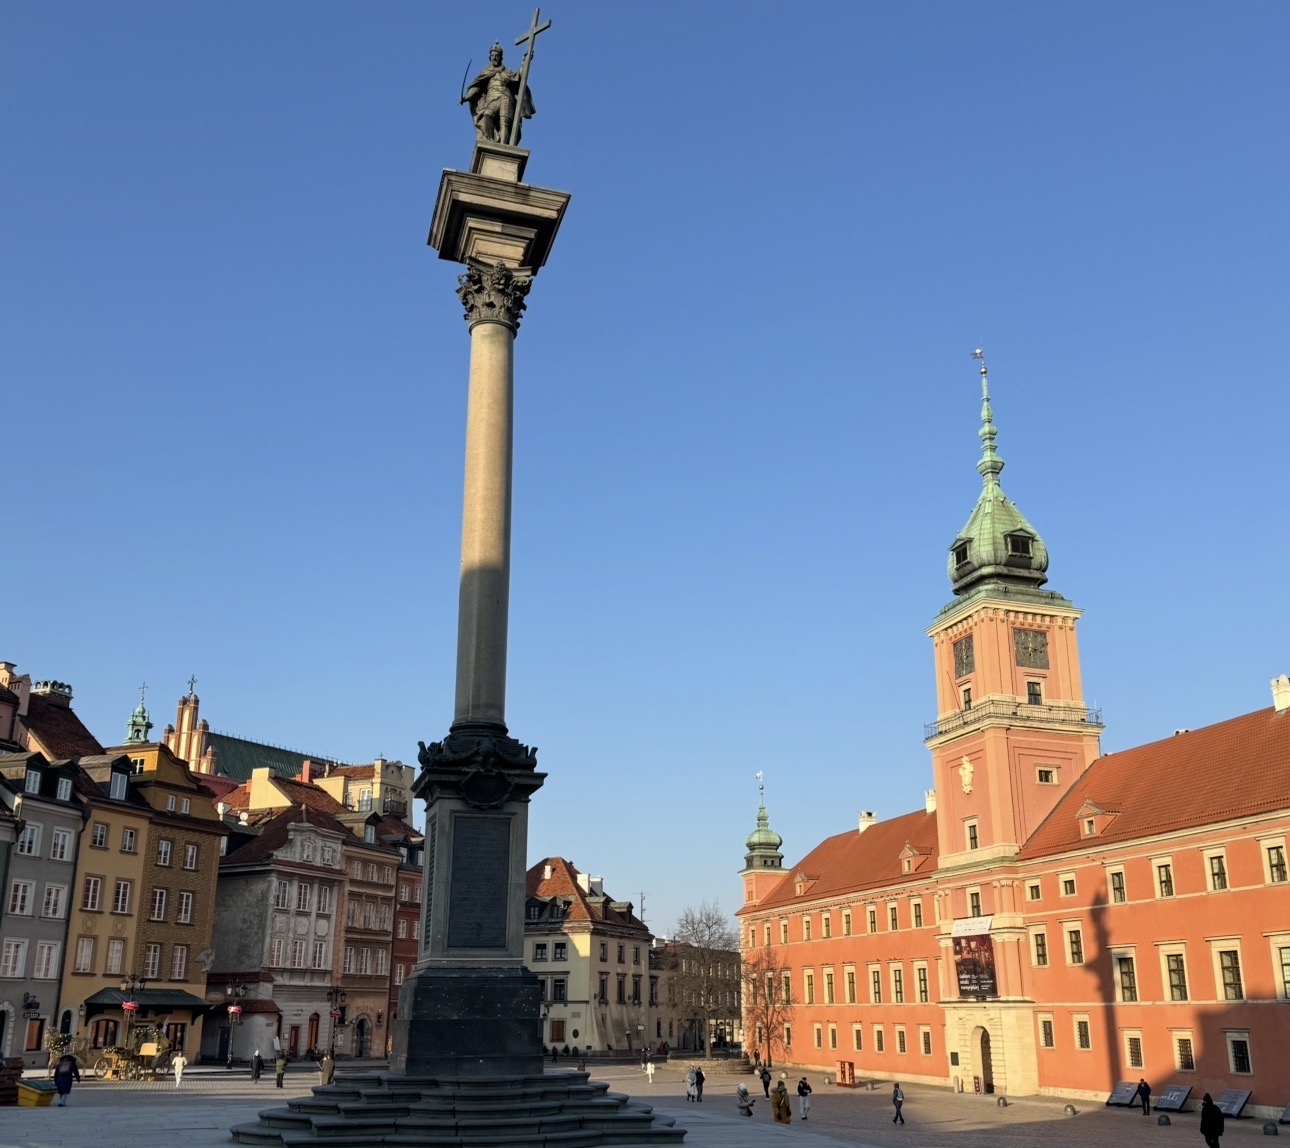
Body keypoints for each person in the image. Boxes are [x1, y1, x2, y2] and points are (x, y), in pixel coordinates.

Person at [461, 43, 535, 146]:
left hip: (506, 97)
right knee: (487, 115)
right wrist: (467, 97)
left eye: (497, 55)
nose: (494, 57)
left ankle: (504, 146)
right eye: (492, 55)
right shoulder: (486, 72)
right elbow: (477, 87)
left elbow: (518, 77)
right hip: (492, 99)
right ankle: (490, 141)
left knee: (504, 122)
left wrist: (525, 62)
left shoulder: (507, 71)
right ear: (489, 57)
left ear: (501, 57)